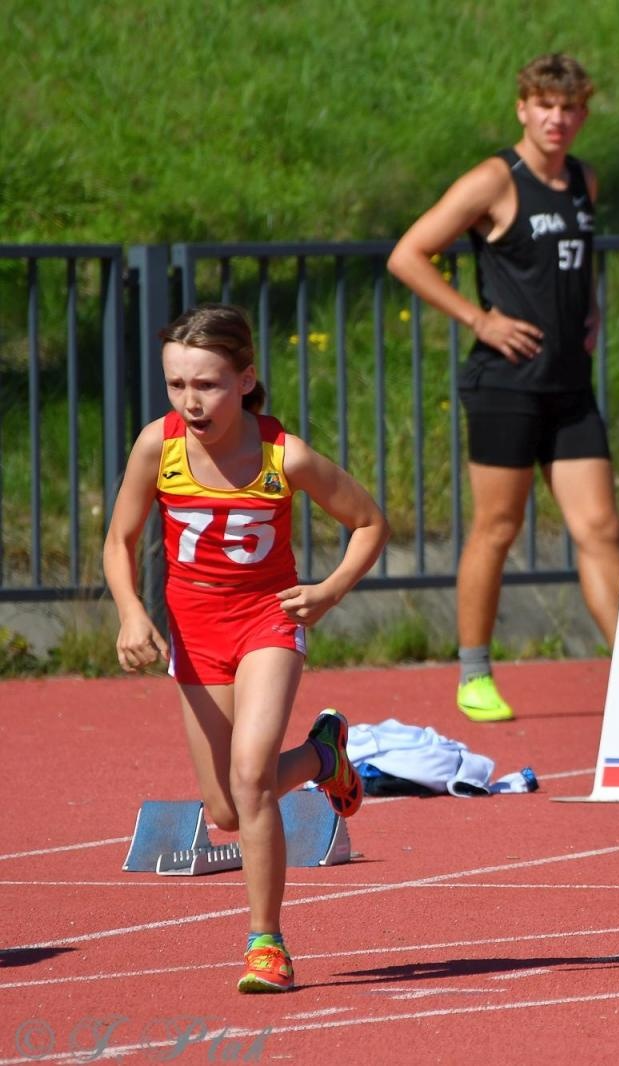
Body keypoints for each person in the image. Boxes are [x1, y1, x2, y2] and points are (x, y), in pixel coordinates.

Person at [104, 304, 389, 993]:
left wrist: (329, 591)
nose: (191, 401)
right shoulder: (158, 447)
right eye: (177, 384)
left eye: (207, 384)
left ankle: (267, 944)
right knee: (228, 809)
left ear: (246, 380)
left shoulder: (284, 455)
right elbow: (119, 540)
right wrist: (132, 613)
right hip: (195, 634)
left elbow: (369, 522)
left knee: (253, 775)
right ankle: (324, 756)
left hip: (267, 622)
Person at [388, 53, 619, 723]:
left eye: (569, 107)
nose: (557, 118)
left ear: (582, 114)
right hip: (507, 385)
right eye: (545, 105)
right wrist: (480, 319)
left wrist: (591, 307)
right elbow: (407, 255)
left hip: (569, 387)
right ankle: (474, 674)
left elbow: (576, 260)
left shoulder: (583, 180)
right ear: (523, 108)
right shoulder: (495, 179)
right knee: (497, 526)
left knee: (602, 528)